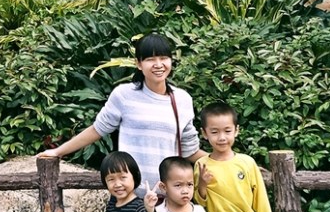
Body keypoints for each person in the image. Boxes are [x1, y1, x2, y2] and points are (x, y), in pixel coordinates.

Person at [38, 32, 205, 191]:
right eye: (150, 59)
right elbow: (97, 129)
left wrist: (227, 160)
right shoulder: (124, 95)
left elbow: (189, 149)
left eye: (163, 58)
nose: (158, 64)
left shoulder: (182, 99)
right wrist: (58, 152)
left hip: (168, 199)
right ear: (138, 64)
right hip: (130, 197)